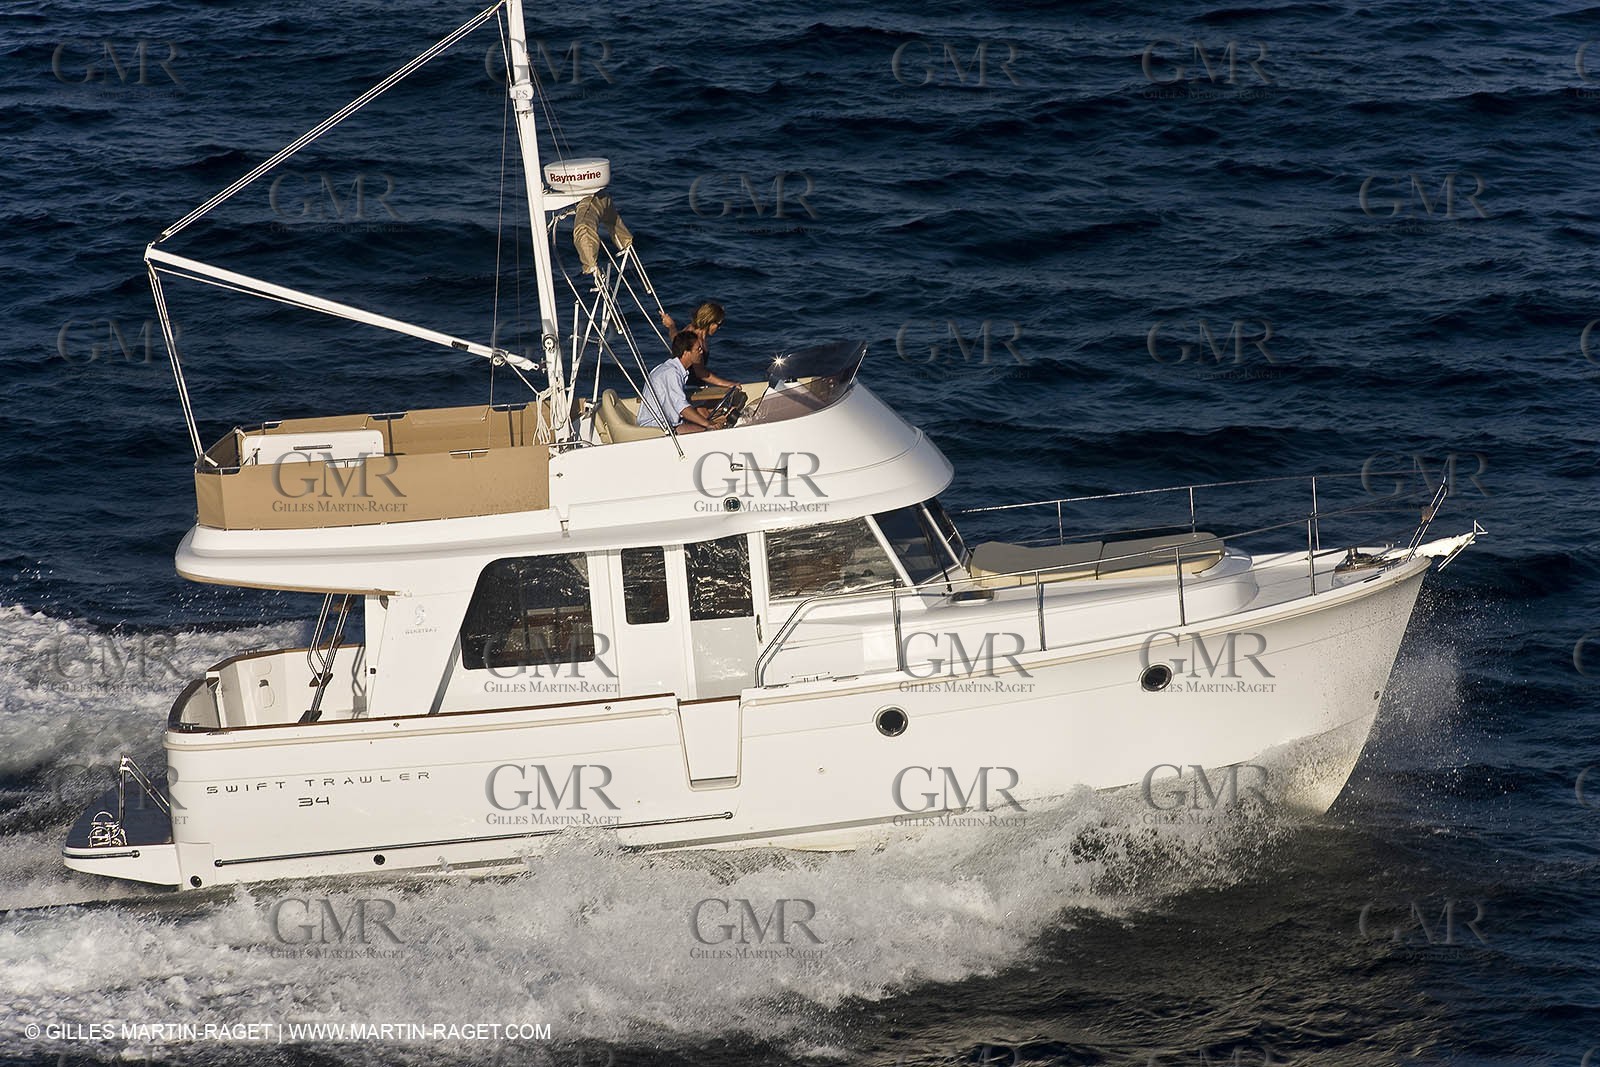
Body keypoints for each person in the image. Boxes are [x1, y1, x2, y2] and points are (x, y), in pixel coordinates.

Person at [637, 331, 726, 434]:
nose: (701, 352)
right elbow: (682, 408)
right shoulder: (671, 373)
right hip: (656, 426)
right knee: (708, 431)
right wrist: (708, 424)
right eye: (698, 349)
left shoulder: (671, 369)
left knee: (710, 416)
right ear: (686, 353)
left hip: (668, 422)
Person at [660, 301, 738, 390]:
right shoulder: (697, 342)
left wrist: (671, 326)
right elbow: (700, 373)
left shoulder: (690, 329)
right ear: (711, 322)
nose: (719, 328)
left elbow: (675, 339)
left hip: (686, 383)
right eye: (719, 324)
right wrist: (729, 384)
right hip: (692, 387)